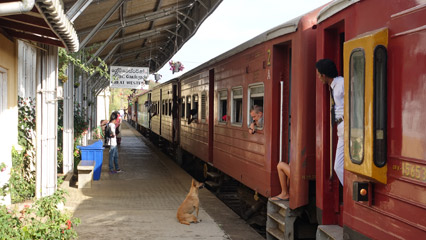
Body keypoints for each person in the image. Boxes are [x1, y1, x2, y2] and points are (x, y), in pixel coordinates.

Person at [316, 59, 344, 185]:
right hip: (341, 127)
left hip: (347, 125)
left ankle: (352, 197)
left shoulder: (342, 83)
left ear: (324, 75)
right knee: (338, 166)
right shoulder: (333, 86)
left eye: (318, 74)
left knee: (339, 166)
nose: (318, 77)